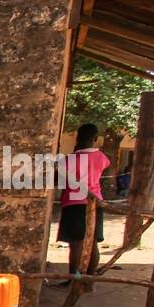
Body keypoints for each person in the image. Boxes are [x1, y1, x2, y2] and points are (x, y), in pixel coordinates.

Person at [53, 123, 111, 289]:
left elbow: (58, 180)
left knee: (76, 244)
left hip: (74, 203)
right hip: (95, 203)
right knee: (92, 243)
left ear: (77, 138)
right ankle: (88, 281)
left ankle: (75, 279)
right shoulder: (101, 158)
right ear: (95, 139)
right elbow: (102, 172)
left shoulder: (69, 160)